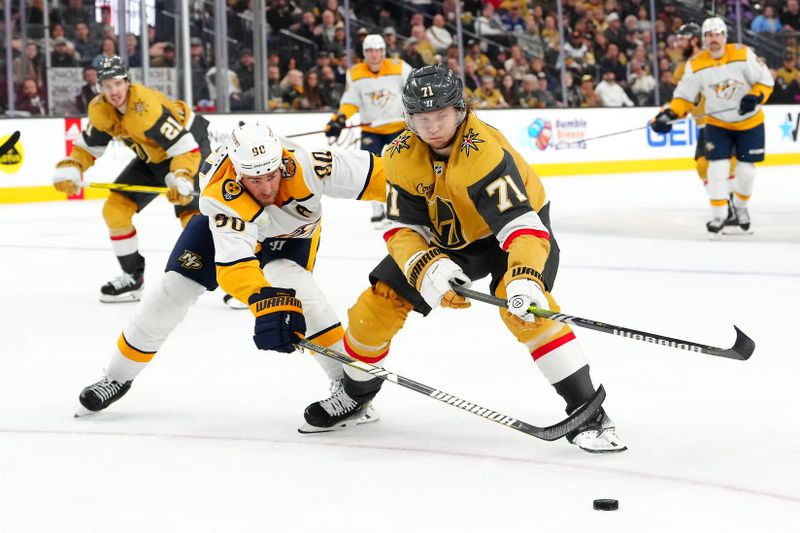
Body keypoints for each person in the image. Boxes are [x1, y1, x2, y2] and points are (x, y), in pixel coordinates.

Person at [301, 65, 626, 454]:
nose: (433, 127)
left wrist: (524, 277)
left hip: (514, 231)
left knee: (525, 309)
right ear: (409, 118)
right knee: (378, 303)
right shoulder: (399, 154)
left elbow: (521, 227)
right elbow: (400, 229)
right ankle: (356, 394)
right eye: (422, 118)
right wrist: (428, 268)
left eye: (441, 116)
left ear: (460, 110)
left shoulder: (484, 151)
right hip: (448, 235)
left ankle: (589, 413)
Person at [75, 121, 385, 429]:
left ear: (282, 162)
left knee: (302, 295)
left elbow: (381, 175)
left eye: (271, 175)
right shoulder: (219, 194)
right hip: (221, 233)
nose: (265, 188)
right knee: (170, 293)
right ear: (237, 172)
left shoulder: (307, 164)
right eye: (254, 179)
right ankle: (117, 376)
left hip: (291, 237)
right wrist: (263, 300)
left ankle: (351, 391)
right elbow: (234, 265)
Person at [52, 56, 211, 302]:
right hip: (152, 157)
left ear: (127, 81)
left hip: (190, 146)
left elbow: (185, 148)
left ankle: (233, 276)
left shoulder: (145, 108)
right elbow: (88, 147)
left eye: (117, 83)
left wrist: (181, 176)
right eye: (107, 85)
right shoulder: (101, 109)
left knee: (194, 219)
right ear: (100, 88)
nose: (113, 90)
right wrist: (72, 167)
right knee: (115, 211)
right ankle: (132, 279)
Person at [651, 17, 773, 234]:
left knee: (744, 171)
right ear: (704, 39)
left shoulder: (741, 54)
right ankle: (720, 214)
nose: (713, 39)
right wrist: (668, 114)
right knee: (711, 167)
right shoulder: (692, 65)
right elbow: (685, 97)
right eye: (709, 35)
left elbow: (764, 81)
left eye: (717, 34)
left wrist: (755, 97)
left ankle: (739, 207)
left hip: (746, 121)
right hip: (715, 122)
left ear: (724, 36)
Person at [324, 34, 412, 229]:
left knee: (398, 168)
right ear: (364, 53)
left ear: (383, 51)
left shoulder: (400, 67)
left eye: (378, 50)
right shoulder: (355, 73)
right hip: (371, 130)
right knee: (370, 168)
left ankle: (397, 206)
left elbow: (414, 89)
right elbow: (349, 101)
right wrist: (338, 120)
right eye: (370, 51)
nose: (374, 55)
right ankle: (377, 209)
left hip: (398, 127)